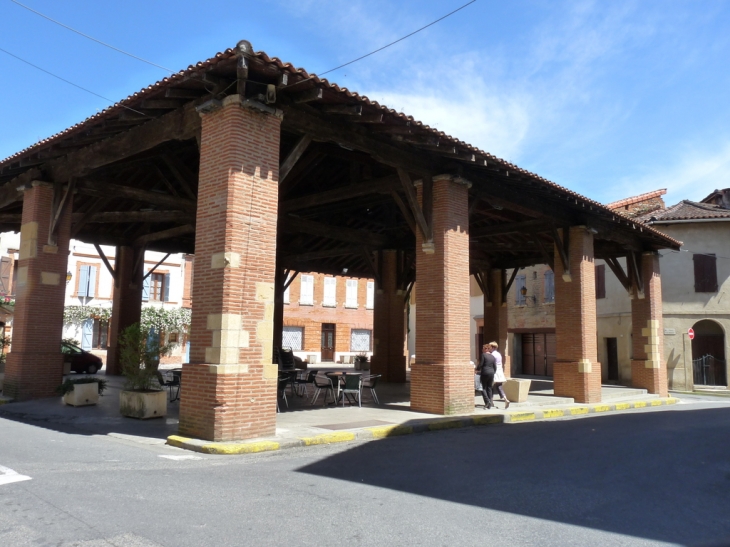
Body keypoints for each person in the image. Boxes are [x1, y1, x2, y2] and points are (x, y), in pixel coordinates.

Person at [489, 341, 509, 408]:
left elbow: (491, 364)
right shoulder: (498, 354)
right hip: (500, 372)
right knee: (499, 387)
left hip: (495, 372)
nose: (489, 348)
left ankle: (491, 401)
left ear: (493, 347)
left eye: (490, 347)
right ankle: (505, 399)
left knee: (490, 387)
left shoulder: (492, 355)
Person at [475, 344, 496, 409]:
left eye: (483, 348)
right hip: (491, 373)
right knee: (489, 387)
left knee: (483, 387)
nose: (482, 350)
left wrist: (477, 369)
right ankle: (490, 402)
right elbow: (495, 366)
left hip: (485, 372)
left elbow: (481, 364)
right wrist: (493, 372)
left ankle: (487, 402)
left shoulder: (483, 355)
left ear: (486, 349)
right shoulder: (492, 357)